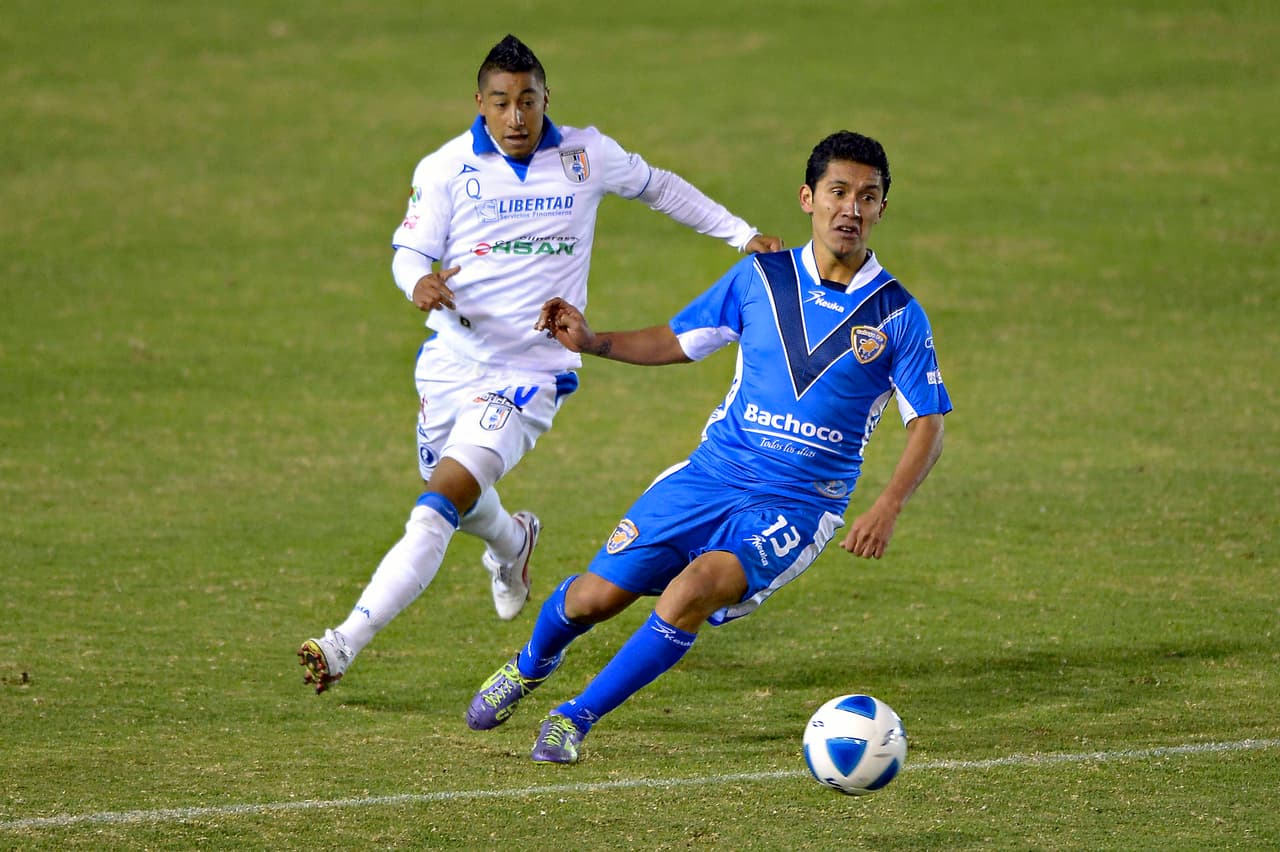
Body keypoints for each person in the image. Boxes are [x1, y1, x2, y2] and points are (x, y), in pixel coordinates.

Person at [297, 34, 781, 693]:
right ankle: (512, 542)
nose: (517, 116)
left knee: (436, 505)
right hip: (450, 363)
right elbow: (408, 253)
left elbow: (660, 187)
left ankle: (342, 643)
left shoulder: (586, 155)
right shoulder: (445, 168)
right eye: (502, 103)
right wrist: (416, 283)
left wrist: (741, 235)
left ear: (546, 99)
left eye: (528, 100)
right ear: (481, 104)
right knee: (459, 499)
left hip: (530, 374)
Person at [465, 130, 951, 764]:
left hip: (796, 504)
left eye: (868, 196)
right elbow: (676, 339)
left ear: (883, 208)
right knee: (593, 598)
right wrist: (592, 342)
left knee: (693, 589)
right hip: (710, 475)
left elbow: (929, 424)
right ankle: (532, 664)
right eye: (838, 192)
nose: (851, 208)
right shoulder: (760, 277)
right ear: (808, 198)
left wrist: (886, 505)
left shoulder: (897, 314)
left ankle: (574, 718)